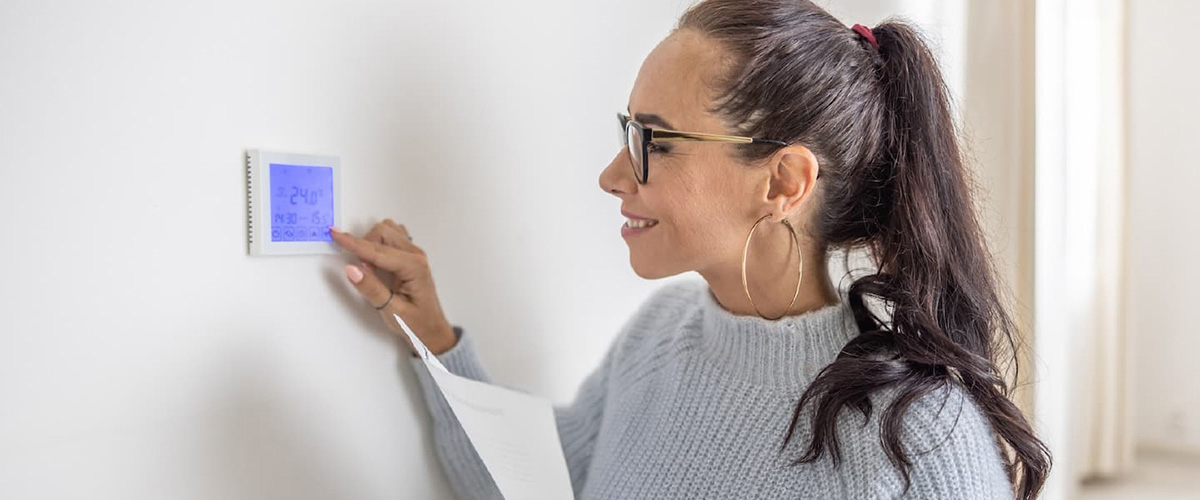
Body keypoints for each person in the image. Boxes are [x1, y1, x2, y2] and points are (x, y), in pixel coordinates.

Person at [328, 0, 1051, 497]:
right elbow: (540, 485)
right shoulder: (659, 336)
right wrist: (433, 337)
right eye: (627, 132)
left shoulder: (921, 434)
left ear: (783, 182)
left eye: (654, 142)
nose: (612, 176)